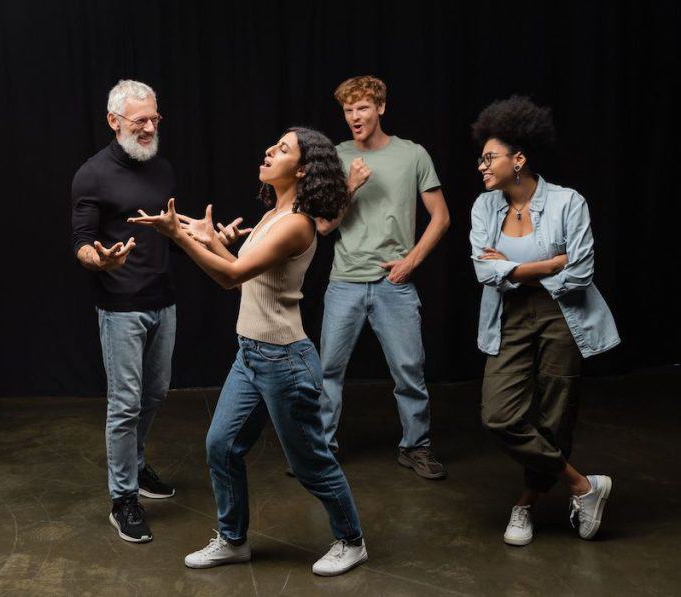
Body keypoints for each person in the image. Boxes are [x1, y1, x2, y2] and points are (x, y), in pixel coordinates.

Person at [130, 127, 367, 576]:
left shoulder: (297, 223)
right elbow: (246, 271)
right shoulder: (274, 215)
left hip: (285, 361)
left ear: (301, 169)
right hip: (251, 355)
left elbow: (230, 277)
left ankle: (351, 540)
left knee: (310, 462)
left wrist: (179, 238)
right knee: (221, 446)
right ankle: (233, 539)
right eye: (272, 146)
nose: (268, 151)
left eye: (281, 150)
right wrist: (207, 237)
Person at [469, 95, 620, 546]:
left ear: (519, 159)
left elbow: (580, 273)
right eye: (480, 159)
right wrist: (544, 266)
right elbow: (482, 269)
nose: (481, 166)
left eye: (489, 157)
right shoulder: (484, 208)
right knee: (499, 414)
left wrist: (512, 270)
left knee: (555, 417)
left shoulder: (568, 202)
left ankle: (525, 506)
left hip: (563, 317)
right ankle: (583, 486)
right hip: (509, 317)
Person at [315, 76, 450, 479]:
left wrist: (411, 261)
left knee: (409, 370)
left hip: (395, 283)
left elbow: (441, 218)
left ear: (381, 108)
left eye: (362, 108)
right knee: (328, 372)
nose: (355, 117)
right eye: (348, 110)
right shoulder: (335, 157)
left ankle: (416, 447)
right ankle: (322, 450)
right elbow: (324, 225)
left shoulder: (413, 155)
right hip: (345, 281)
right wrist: (351, 185)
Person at [70, 80, 178, 544]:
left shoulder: (162, 168)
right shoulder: (92, 174)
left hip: (163, 299)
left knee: (155, 394)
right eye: (141, 121)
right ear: (115, 121)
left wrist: (203, 235)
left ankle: (135, 466)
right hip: (121, 308)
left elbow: (172, 225)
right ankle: (123, 500)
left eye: (155, 119)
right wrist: (99, 258)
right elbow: (80, 241)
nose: (150, 127)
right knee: (124, 404)